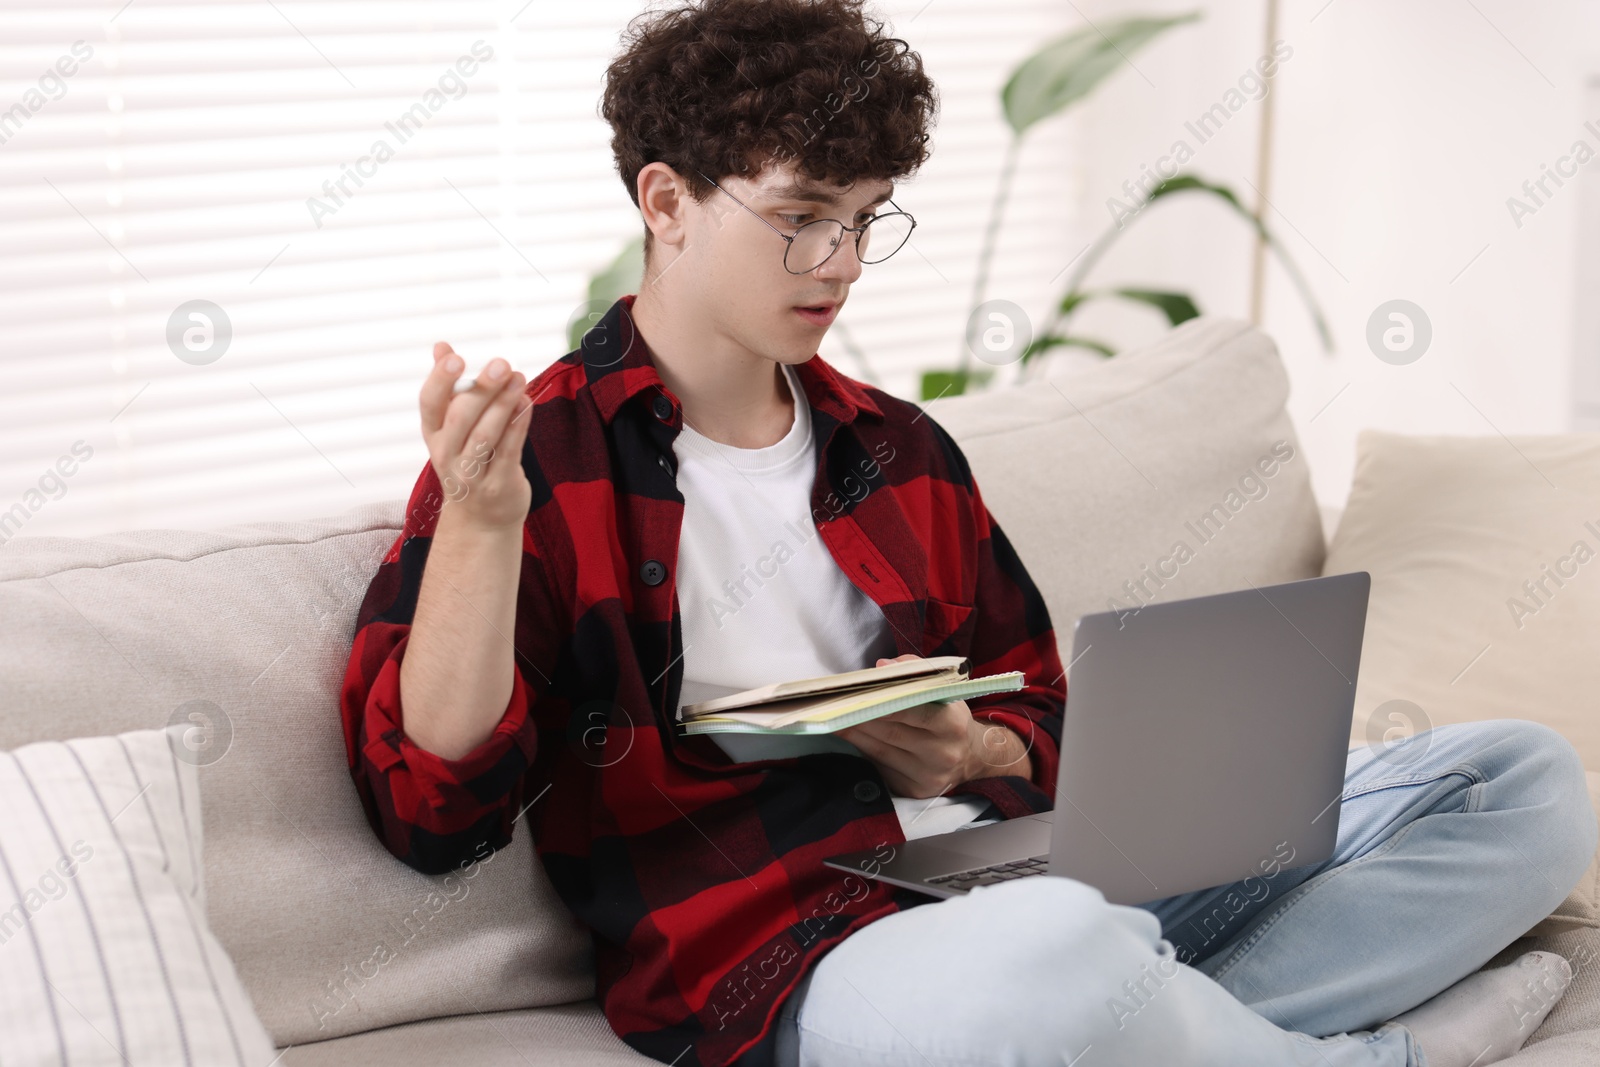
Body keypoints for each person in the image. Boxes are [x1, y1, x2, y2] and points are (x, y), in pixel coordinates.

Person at [338, 2, 1598, 1066]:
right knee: (1054, 959)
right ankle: (1375, 1047)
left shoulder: (900, 449)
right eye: (801, 215)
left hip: (1013, 875)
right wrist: (486, 529)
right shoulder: (529, 463)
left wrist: (965, 750)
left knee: (1523, 780)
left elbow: (1048, 719)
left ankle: (1165, 1020)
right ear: (665, 200)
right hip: (794, 954)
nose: (840, 263)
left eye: (869, 217)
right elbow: (433, 813)